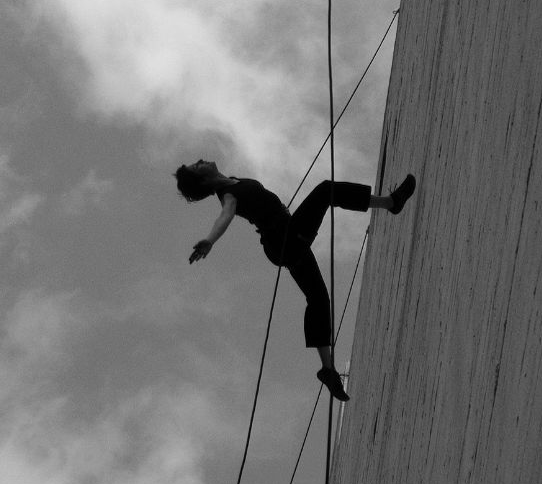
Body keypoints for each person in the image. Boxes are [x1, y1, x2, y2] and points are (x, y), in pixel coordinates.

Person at [175, 160, 416, 400]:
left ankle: (327, 369)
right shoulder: (227, 195)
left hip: (288, 236)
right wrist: (210, 240)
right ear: (203, 180)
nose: (200, 161)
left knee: (319, 297)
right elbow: (226, 215)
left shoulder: (235, 180)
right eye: (197, 167)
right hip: (283, 239)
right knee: (326, 190)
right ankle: (391, 203)